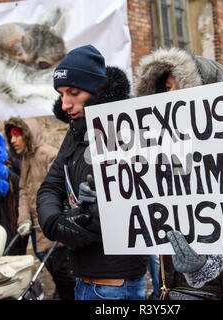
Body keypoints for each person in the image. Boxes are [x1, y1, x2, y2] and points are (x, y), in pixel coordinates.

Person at [134, 47, 223, 300]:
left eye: (176, 87)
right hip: (173, 293)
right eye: (164, 88)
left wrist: (208, 262)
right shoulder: (159, 159)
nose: (167, 94)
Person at [37, 45, 148, 300]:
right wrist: (57, 220)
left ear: (95, 90)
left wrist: (66, 220)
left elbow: (119, 210)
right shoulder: (75, 130)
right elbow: (50, 187)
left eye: (73, 93)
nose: (65, 104)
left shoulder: (124, 129)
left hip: (114, 284)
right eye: (61, 94)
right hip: (85, 278)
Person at [4, 117, 75, 300]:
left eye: (16, 135)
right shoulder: (25, 160)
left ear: (27, 135)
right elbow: (24, 191)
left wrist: (54, 219)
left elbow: (60, 190)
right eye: (10, 137)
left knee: (62, 271)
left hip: (53, 227)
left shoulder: (49, 155)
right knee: (51, 267)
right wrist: (24, 219)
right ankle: (63, 292)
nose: (12, 141)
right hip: (37, 229)